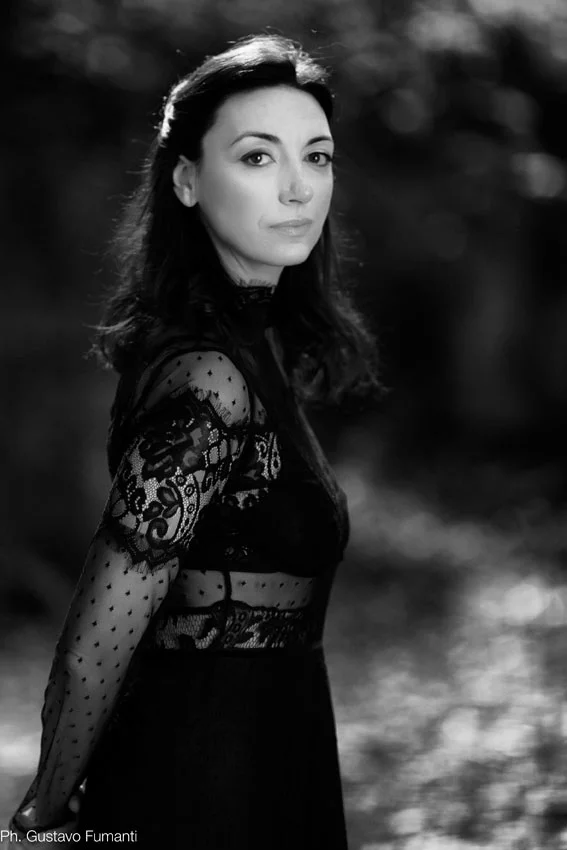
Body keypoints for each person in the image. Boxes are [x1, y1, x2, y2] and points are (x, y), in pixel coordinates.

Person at [9, 33, 381, 850]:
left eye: (316, 157)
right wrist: (44, 811)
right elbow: (96, 639)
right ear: (185, 179)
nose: (297, 187)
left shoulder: (253, 348)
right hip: (200, 780)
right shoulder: (209, 377)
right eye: (257, 157)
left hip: (274, 757)